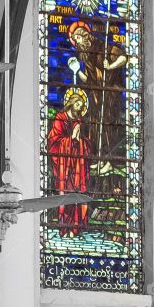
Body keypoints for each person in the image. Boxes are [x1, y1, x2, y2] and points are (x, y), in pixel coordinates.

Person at [66, 19, 128, 161]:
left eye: (78, 38)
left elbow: (123, 58)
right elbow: (88, 80)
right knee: (95, 126)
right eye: (75, 40)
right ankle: (97, 157)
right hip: (96, 96)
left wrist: (110, 66)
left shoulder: (103, 47)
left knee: (108, 124)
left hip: (110, 93)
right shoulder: (86, 57)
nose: (77, 42)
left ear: (85, 35)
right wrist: (77, 71)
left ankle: (108, 158)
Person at [47, 88, 91, 235]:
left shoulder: (79, 121)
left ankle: (76, 226)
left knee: (77, 192)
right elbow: (53, 142)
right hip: (63, 166)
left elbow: (84, 145)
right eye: (78, 104)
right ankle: (64, 226)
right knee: (65, 193)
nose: (80, 107)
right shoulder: (60, 118)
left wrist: (79, 141)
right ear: (71, 103)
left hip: (77, 166)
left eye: (82, 105)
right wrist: (71, 138)